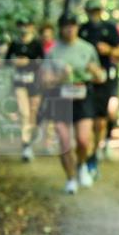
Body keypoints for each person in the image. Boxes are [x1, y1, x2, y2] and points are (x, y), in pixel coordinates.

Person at [40, 13, 106, 194]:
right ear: (60, 28)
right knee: (64, 142)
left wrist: (95, 71)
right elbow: (44, 81)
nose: (70, 29)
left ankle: (82, 165)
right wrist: (59, 76)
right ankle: (70, 179)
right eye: (66, 25)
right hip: (60, 97)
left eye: (73, 25)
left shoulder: (87, 48)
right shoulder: (53, 51)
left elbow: (101, 77)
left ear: (77, 27)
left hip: (83, 96)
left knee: (83, 140)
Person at [79, 0, 119, 173]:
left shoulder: (110, 28)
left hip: (107, 79)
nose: (94, 14)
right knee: (85, 119)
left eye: (97, 11)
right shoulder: (82, 30)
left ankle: (98, 149)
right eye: (92, 11)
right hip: (85, 80)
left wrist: (109, 50)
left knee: (103, 118)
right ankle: (87, 154)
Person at [5, 19, 45, 161]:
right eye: (21, 25)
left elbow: (44, 62)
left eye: (27, 25)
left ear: (32, 27)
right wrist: (15, 62)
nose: (24, 28)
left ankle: (30, 143)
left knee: (33, 115)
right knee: (24, 113)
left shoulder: (36, 44)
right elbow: (6, 61)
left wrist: (30, 62)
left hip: (34, 84)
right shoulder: (15, 44)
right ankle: (25, 145)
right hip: (19, 82)